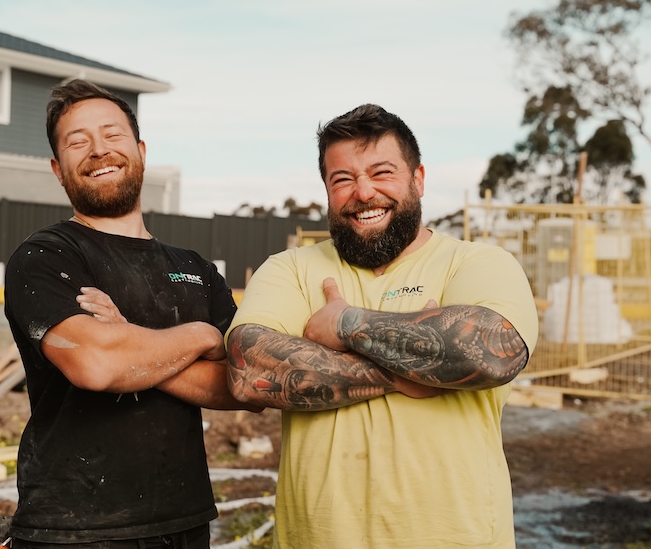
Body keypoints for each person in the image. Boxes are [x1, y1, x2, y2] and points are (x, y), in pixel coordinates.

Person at [226, 104, 539, 547]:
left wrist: (346, 324)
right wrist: (411, 367)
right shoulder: (289, 269)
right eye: (342, 179)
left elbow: (491, 352)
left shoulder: (478, 263)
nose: (363, 191)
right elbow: (247, 368)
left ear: (418, 179)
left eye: (382, 172)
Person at [4, 79, 257, 549]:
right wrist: (202, 336)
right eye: (78, 141)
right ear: (58, 169)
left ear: (140, 151)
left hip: (184, 524)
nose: (99, 150)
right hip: (74, 530)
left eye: (112, 135)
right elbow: (96, 365)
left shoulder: (196, 269)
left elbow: (243, 384)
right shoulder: (46, 257)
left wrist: (128, 341)